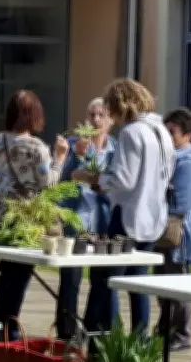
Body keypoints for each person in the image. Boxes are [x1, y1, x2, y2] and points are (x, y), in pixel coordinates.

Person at [0, 90, 68, 339]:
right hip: (29, 220)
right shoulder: (37, 148)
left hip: (1, 216)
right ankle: (8, 332)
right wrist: (60, 158)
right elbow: (49, 184)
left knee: (7, 273)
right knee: (19, 276)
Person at [73, 79, 175, 335]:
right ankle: (138, 344)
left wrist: (94, 178)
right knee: (138, 283)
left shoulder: (132, 132)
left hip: (128, 215)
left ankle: (96, 342)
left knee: (106, 281)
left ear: (119, 105)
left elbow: (124, 180)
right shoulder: (162, 130)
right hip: (154, 215)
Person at [55, 98, 118, 340]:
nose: (95, 120)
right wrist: (78, 157)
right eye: (91, 114)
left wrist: (101, 185)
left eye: (101, 115)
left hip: (103, 222)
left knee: (101, 281)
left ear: (111, 120)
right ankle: (66, 334)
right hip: (76, 221)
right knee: (70, 280)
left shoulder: (116, 149)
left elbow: (119, 184)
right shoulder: (73, 145)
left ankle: (94, 331)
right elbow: (62, 181)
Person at [155, 107, 191, 351]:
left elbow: (182, 203)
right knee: (163, 283)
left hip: (180, 234)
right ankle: (164, 330)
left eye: (172, 132)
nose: (168, 137)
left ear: (188, 134)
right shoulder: (175, 157)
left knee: (179, 285)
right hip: (167, 232)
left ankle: (182, 335)